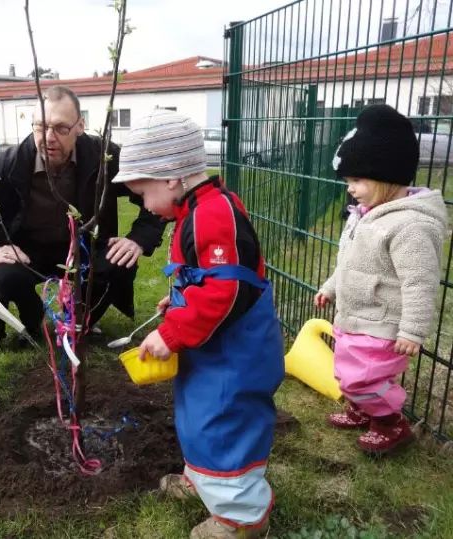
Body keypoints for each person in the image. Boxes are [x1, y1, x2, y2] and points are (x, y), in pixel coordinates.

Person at [113, 110, 284, 539]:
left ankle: (241, 517)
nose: (144, 205)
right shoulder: (198, 208)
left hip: (234, 354)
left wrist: (171, 330)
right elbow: (208, 277)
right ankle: (205, 480)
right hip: (212, 347)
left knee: (223, 424)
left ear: (171, 178)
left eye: (143, 193)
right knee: (198, 416)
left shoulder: (211, 215)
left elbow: (226, 291)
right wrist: (178, 298)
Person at [0, 85, 166, 348]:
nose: (48, 137)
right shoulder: (4, 167)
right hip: (25, 254)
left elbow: (156, 190)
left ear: (80, 126)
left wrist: (139, 239)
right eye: (40, 126)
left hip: (83, 250)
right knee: (4, 276)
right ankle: (33, 321)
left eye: (61, 128)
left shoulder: (104, 159)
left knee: (118, 262)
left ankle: (80, 322)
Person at [315, 104, 448, 455]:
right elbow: (349, 261)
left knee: (364, 378)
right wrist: (331, 286)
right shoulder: (365, 215)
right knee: (349, 372)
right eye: (348, 181)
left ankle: (392, 424)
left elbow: (420, 282)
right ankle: (363, 409)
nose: (350, 189)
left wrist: (412, 330)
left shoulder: (410, 226)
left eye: (357, 180)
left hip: (383, 322)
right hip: (357, 316)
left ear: (387, 175)